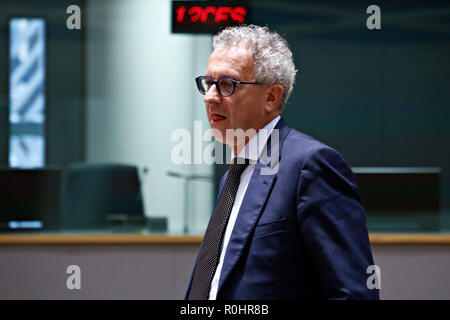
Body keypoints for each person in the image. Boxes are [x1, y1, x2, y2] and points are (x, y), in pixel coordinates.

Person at [185, 25, 379, 300]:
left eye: (227, 85)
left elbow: (353, 294)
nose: (210, 97)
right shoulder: (232, 175)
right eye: (208, 83)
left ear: (271, 97)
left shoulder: (311, 166)